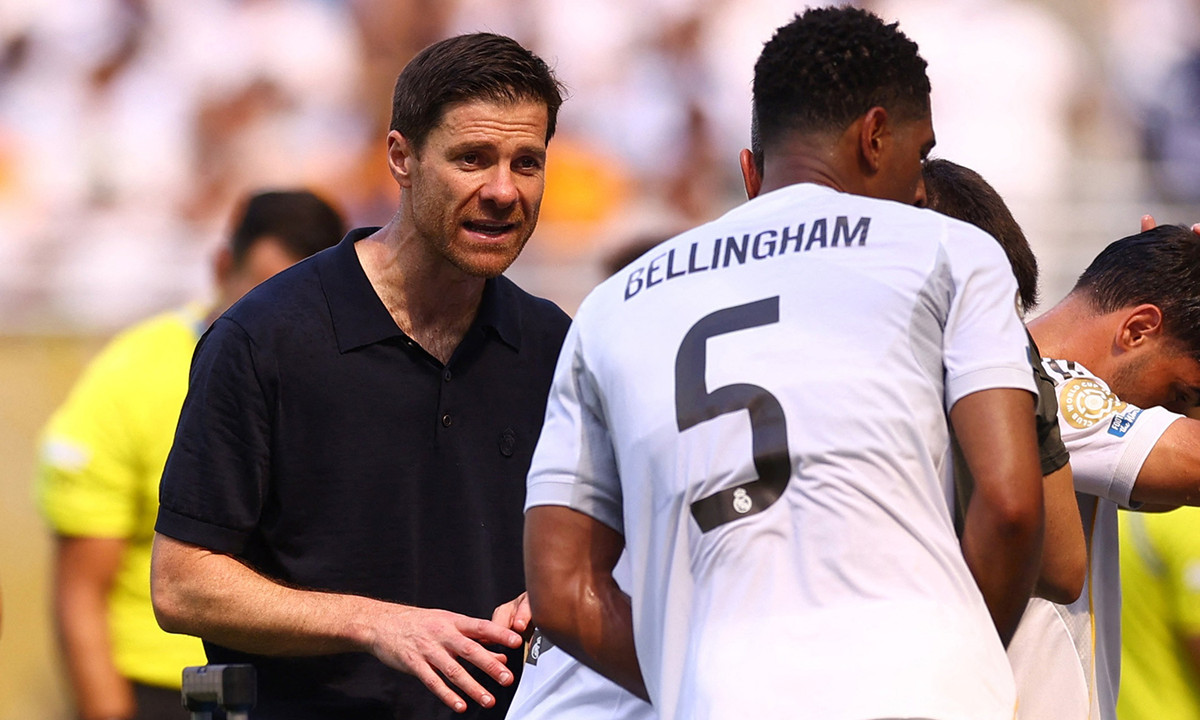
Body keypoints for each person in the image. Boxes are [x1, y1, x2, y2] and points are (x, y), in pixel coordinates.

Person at [523, 7, 1045, 720]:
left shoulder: (613, 303)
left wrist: (690, 686)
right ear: (874, 136)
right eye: (920, 154)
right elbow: (1012, 506)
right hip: (921, 687)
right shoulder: (949, 250)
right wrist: (963, 663)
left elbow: (562, 591)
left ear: (751, 168)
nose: (923, 188)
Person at [149, 33, 570, 720]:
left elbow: (601, 545)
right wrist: (377, 624)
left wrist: (551, 595)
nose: (503, 191)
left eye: (527, 163)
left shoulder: (554, 343)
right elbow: (181, 585)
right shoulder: (265, 338)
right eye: (471, 159)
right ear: (401, 158)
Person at [36, 189, 345, 720]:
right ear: (222, 267)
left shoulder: (365, 379)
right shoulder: (129, 380)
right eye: (264, 292)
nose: (280, 317)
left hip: (321, 682)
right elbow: (82, 590)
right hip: (163, 687)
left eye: (305, 300)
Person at [1015, 223, 1200, 720]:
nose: (1178, 414)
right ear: (1137, 329)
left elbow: (1169, 492)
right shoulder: (1036, 384)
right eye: (1182, 394)